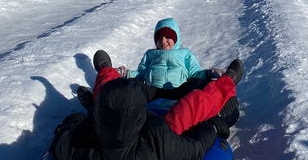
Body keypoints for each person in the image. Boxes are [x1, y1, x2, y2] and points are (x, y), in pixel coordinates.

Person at [49, 51, 243, 160]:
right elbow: (196, 148)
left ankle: (105, 71)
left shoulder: (77, 149)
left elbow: (61, 139)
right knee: (192, 107)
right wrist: (213, 127)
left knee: (109, 93)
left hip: (103, 138)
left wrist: (74, 120)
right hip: (149, 142)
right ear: (141, 113)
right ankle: (226, 82)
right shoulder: (162, 150)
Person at [77, 18, 223, 109]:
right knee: (132, 86)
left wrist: (208, 73)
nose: (163, 41)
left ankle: (218, 105)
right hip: (153, 91)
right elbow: (141, 74)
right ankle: (103, 102)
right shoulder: (150, 54)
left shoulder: (184, 53)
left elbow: (194, 72)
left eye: (168, 37)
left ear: (176, 38)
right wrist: (126, 73)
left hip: (178, 90)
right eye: (159, 38)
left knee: (197, 85)